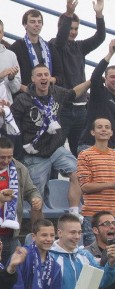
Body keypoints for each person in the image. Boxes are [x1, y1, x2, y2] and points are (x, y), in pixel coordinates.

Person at [11, 64, 89, 214]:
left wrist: (91, 81)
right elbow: (12, 125)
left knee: (78, 172)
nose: (43, 78)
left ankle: (74, 213)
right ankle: (36, 231)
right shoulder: (22, 99)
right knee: (36, 200)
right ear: (33, 79)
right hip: (35, 155)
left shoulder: (57, 93)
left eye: (46, 74)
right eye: (39, 75)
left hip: (55, 149)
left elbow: (74, 93)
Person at [51, 0, 106, 156]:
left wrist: (99, 15)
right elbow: (61, 39)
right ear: (62, 27)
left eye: (76, 29)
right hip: (62, 107)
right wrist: (68, 13)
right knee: (56, 151)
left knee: (81, 154)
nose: (73, 32)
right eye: (70, 28)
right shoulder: (55, 44)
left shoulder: (80, 46)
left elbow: (100, 37)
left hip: (81, 108)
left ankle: (82, 181)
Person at [78, 40, 115, 154]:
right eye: (112, 77)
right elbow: (95, 77)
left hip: (109, 151)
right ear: (105, 79)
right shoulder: (99, 93)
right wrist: (110, 54)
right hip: (89, 146)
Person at [78, 118, 115, 243]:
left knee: (114, 252)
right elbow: (84, 186)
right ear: (92, 132)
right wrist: (112, 184)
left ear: (111, 132)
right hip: (93, 214)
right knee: (92, 254)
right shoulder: (85, 155)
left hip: (114, 213)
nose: (104, 129)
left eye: (107, 127)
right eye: (99, 127)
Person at [9, 219, 61, 289]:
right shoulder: (21, 257)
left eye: (52, 235)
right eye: (44, 235)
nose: (49, 239)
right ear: (33, 236)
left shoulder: (55, 266)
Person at [0, 136, 43, 265]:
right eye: (2, 157)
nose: (7, 160)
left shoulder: (19, 168)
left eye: (10, 156)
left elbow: (31, 190)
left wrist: (36, 198)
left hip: (11, 234)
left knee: (11, 275)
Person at [10, 9, 59, 90]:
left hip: (48, 94)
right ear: (25, 25)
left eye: (39, 22)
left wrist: (51, 79)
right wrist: (26, 90)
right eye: (33, 22)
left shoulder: (50, 47)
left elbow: (60, 74)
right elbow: (11, 76)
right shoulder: (16, 47)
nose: (37, 24)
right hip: (25, 96)